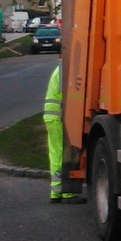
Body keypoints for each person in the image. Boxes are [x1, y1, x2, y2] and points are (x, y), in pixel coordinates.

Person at [44, 62, 77, 203]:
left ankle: (56, 192)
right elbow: (68, 93)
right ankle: (67, 192)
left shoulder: (59, 69)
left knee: (55, 153)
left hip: (52, 117)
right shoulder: (64, 70)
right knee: (62, 153)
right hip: (58, 117)